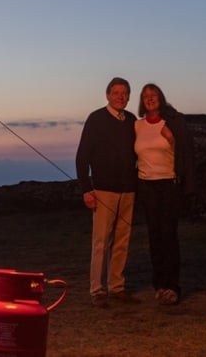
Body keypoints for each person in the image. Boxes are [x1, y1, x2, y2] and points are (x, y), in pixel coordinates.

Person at [76, 77, 140, 307]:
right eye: (116, 93)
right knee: (101, 242)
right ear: (107, 95)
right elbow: (82, 156)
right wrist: (86, 189)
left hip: (128, 191)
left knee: (122, 241)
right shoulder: (96, 119)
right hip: (103, 190)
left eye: (124, 93)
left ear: (129, 96)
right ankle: (97, 290)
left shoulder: (131, 120)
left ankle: (117, 286)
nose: (120, 97)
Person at [134, 83, 196, 306]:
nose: (150, 99)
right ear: (142, 101)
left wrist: (173, 139)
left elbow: (186, 153)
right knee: (154, 237)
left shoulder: (172, 123)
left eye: (154, 95)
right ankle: (159, 284)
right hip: (146, 186)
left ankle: (172, 286)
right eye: (146, 96)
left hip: (169, 184)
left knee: (169, 235)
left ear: (160, 98)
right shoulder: (138, 126)